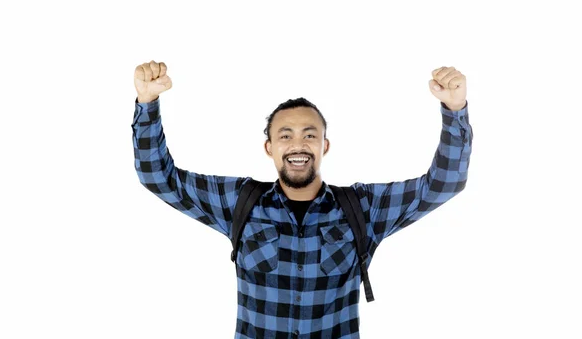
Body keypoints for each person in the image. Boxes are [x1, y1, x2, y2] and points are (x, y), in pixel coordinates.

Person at [131, 60, 473, 338]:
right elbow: (161, 178)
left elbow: (443, 185)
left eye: (310, 135)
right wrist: (147, 103)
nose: (298, 145)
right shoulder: (240, 202)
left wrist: (454, 108)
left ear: (324, 146)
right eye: (285, 135)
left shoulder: (361, 208)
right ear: (270, 148)